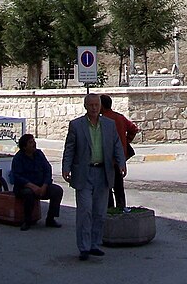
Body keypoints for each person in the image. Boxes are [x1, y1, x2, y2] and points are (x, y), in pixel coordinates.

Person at [62, 93, 126, 261]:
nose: (94, 108)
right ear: (85, 106)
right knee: (85, 211)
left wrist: (121, 163)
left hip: (103, 173)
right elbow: (69, 148)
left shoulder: (109, 125)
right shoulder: (76, 125)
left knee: (99, 212)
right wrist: (66, 167)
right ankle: (83, 247)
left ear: (100, 106)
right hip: (84, 173)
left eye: (96, 105)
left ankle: (94, 244)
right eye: (91, 105)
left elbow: (117, 145)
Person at [10, 133, 63, 231]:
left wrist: (45, 185)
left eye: (34, 141)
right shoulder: (18, 158)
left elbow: (48, 169)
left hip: (41, 186)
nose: (34, 144)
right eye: (30, 142)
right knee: (28, 193)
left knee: (57, 190)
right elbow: (17, 176)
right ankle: (27, 220)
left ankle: (51, 218)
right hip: (25, 187)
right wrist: (32, 186)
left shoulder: (39, 154)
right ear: (24, 146)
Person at [100, 94, 139, 209]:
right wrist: (126, 141)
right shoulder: (120, 117)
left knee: (107, 187)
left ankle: (110, 210)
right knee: (119, 188)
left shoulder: (102, 119)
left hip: (107, 158)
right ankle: (121, 208)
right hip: (119, 158)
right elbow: (133, 129)